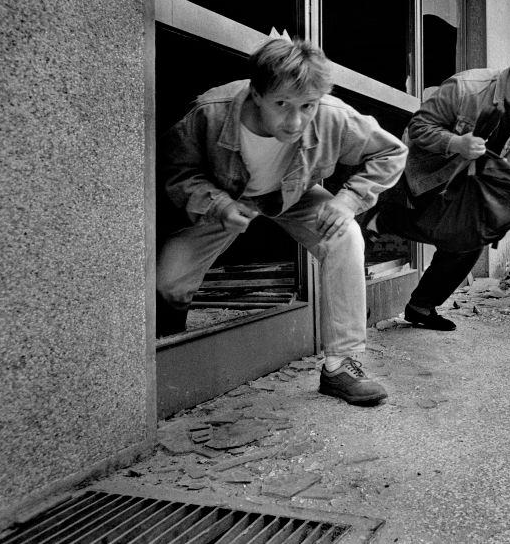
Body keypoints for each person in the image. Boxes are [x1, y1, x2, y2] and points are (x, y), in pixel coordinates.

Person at [157, 38, 407, 406]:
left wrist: (348, 200)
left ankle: (341, 365)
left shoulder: (332, 115)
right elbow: (175, 170)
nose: (295, 120)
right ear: (256, 94)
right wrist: (219, 205)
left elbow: (392, 151)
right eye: (282, 105)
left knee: (347, 234)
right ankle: (169, 356)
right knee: (169, 279)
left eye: (307, 106)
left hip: (294, 194)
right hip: (225, 197)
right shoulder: (211, 112)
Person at [362, 33, 510, 331]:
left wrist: (501, 202)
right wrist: (456, 143)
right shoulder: (467, 88)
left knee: (473, 236)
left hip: (475, 189)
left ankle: (421, 305)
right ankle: (387, 219)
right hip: (429, 177)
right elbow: (418, 128)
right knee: (461, 234)